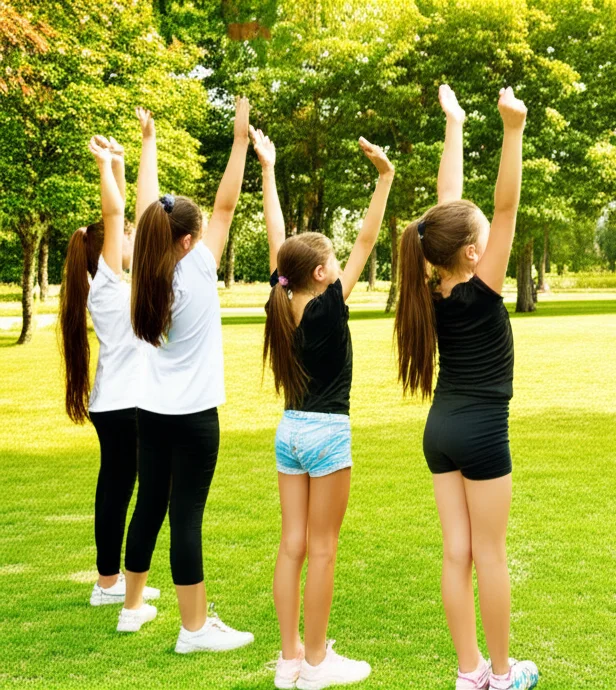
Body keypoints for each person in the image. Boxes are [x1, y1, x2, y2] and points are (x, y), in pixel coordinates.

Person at [393, 84, 538, 690]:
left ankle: (468, 671)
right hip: (479, 433)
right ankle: (502, 676)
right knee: (491, 556)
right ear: (474, 252)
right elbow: (502, 209)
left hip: (441, 430)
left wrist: (455, 123)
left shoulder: (431, 283)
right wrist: (513, 131)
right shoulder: (482, 285)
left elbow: (444, 210)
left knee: (459, 554)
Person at [254, 125, 394, 689]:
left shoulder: (280, 298)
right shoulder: (330, 304)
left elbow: (277, 240)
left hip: (289, 432)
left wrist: (269, 169)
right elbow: (365, 241)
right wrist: (383, 179)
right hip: (328, 434)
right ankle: (315, 663)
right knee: (323, 550)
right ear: (320, 273)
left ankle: (289, 660)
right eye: (332, 262)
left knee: (292, 547)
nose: (341, 265)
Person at [117, 101, 254, 653]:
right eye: (196, 232)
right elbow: (226, 204)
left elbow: (153, 210)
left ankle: (131, 608)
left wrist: (148, 143)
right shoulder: (196, 268)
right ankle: (194, 629)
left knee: (149, 503)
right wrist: (240, 140)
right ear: (187, 241)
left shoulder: (142, 278)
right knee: (186, 516)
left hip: (150, 415)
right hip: (194, 420)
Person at [57, 134, 159, 608]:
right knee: (123, 492)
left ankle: (110, 580)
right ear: (109, 250)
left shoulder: (107, 284)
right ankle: (112, 583)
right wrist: (104, 167)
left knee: (116, 489)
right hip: (126, 406)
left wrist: (118, 163)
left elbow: (125, 222)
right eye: (127, 240)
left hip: (114, 404)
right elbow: (118, 217)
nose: (135, 241)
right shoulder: (109, 284)